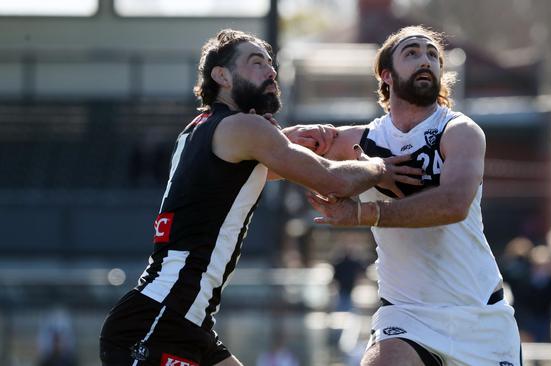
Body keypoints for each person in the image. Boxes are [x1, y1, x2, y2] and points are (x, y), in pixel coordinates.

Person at [99, 29, 422, 366]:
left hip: (186, 323)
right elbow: (331, 180)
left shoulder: (199, 129)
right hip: (157, 322)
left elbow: (245, 177)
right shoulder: (243, 129)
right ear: (222, 76)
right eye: (256, 63)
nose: (270, 71)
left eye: (270, 63)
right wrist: (380, 167)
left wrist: (280, 143)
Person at [306, 25, 521, 366]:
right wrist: (257, 130)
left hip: (478, 317)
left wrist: (364, 214)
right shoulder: (362, 140)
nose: (426, 60)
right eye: (412, 53)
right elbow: (272, 157)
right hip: (405, 315)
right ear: (386, 75)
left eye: (433, 55)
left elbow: (453, 204)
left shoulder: (459, 131)